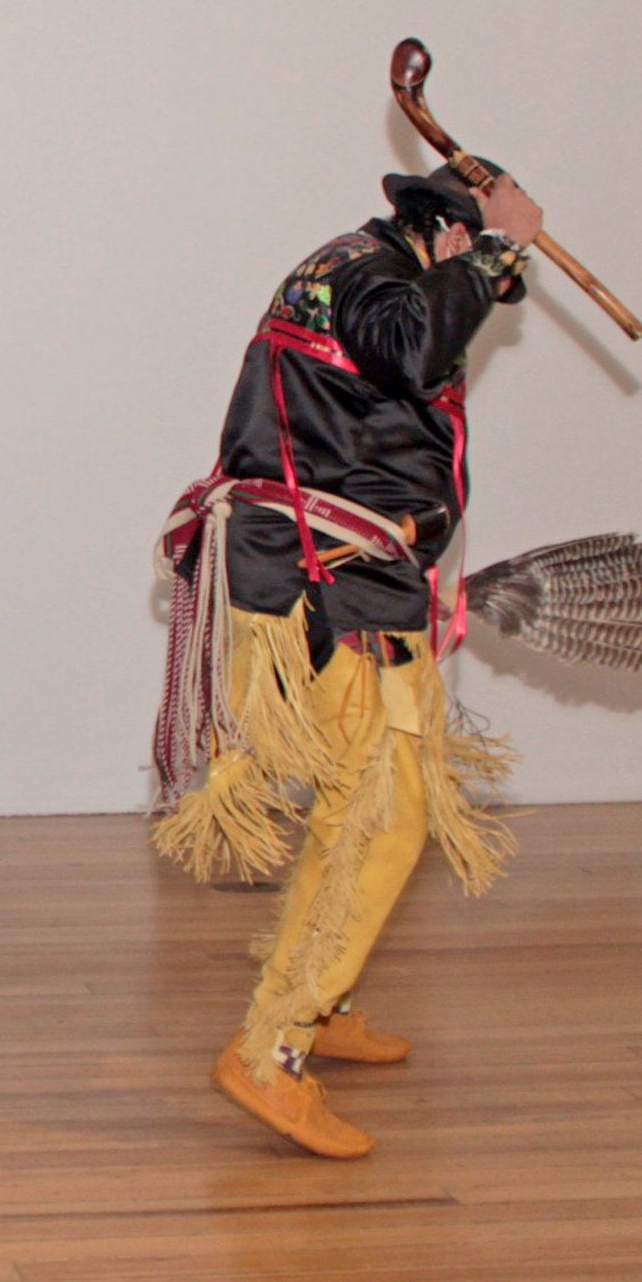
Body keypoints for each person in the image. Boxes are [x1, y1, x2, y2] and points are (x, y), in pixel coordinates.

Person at [150, 161, 545, 1159]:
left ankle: (322, 1003)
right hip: (328, 583)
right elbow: (413, 341)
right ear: (447, 237)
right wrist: (503, 239)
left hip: (346, 573)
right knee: (382, 813)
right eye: (476, 268)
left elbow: (401, 365)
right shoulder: (370, 280)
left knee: (366, 796)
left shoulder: (356, 267)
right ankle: (270, 1046)